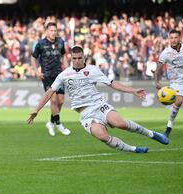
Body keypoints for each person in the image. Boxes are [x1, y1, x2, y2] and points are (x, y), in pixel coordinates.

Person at [27, 46, 169, 153]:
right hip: (85, 114)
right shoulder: (64, 74)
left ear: (84, 58)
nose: (77, 61)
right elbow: (49, 92)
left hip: (99, 105)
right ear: (71, 59)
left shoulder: (93, 70)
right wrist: (36, 110)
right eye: (74, 58)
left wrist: (133, 91)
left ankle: (152, 134)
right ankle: (134, 149)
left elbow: (112, 83)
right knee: (102, 136)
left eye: (79, 58)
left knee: (121, 124)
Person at [31, 22, 70, 136]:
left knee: (61, 101)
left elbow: (63, 56)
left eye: (55, 31)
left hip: (59, 74)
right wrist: (37, 71)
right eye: (51, 30)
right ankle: (58, 124)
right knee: (53, 100)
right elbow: (33, 58)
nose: (53, 33)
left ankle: (51, 122)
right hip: (47, 75)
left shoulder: (60, 42)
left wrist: (67, 70)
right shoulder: (40, 43)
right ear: (46, 31)